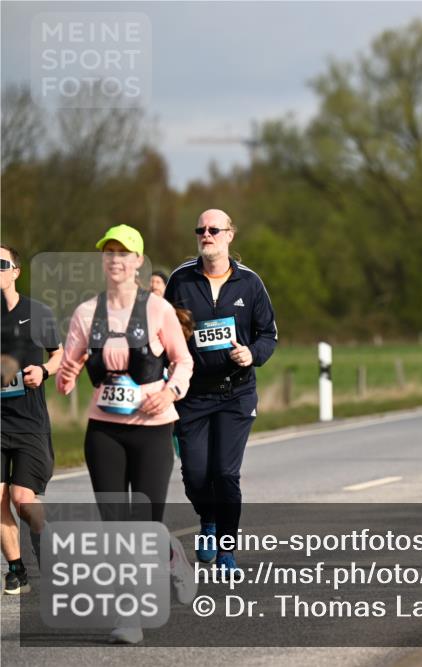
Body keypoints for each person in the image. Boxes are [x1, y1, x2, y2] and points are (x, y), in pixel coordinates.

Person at [55, 225, 195, 643]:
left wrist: (169, 391)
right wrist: (65, 373)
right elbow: (71, 360)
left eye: (124, 253)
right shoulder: (85, 312)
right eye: (108, 253)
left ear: (138, 262)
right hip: (105, 432)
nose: (115, 260)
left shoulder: (157, 310)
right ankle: (129, 616)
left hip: (153, 429)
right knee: (115, 525)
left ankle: (171, 556)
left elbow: (183, 361)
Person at [163, 210, 278, 574]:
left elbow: (268, 335)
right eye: (201, 229)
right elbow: (162, 328)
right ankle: (208, 520)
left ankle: (227, 549)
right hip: (193, 394)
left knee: (225, 474)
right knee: (196, 475)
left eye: (214, 229)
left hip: (235, 393)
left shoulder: (249, 283)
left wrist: (252, 354)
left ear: (230, 235)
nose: (206, 234)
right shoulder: (181, 280)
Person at [1, 245, 63, 596]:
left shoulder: (36, 312)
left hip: (28, 421)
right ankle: (16, 569)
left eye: (0, 264)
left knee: (23, 498)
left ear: (15, 272)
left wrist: (43, 370)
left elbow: (59, 354)